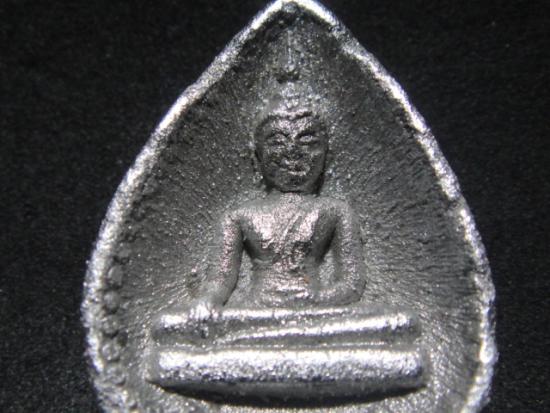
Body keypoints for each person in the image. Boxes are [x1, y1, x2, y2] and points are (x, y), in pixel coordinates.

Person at [188, 105, 366, 322]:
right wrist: (208, 300)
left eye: (307, 142)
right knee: (167, 324)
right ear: (257, 156)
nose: (292, 151)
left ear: (327, 154)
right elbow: (220, 281)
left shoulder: (336, 211)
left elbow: (352, 284)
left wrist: (317, 298)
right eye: (277, 142)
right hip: (255, 312)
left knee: (397, 321)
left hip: (315, 311)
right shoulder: (239, 216)